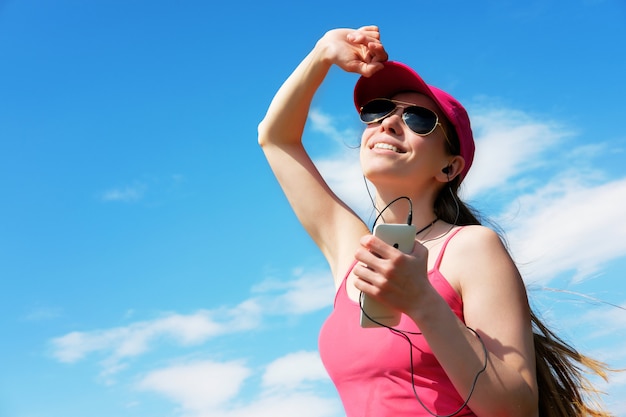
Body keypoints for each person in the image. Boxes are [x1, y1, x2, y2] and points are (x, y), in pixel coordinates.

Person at [258, 26, 611, 417]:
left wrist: (424, 302)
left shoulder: (470, 247)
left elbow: (517, 407)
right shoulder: (350, 249)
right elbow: (275, 139)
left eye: (419, 119)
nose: (389, 123)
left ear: (449, 167)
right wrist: (322, 54)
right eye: (378, 110)